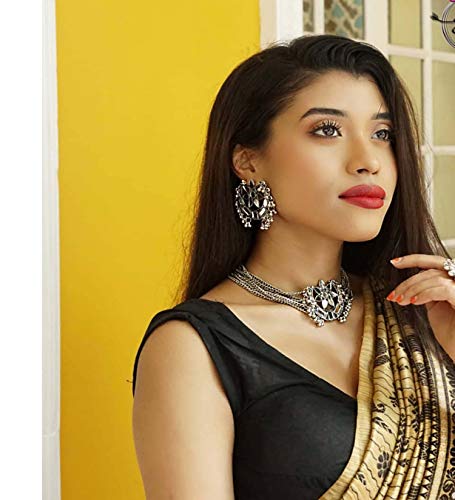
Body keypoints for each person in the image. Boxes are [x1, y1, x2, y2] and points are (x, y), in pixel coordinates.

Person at [131, 34, 455, 499]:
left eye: (382, 134)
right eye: (327, 130)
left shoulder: (419, 313)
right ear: (248, 161)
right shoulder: (193, 348)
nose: (368, 161)